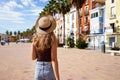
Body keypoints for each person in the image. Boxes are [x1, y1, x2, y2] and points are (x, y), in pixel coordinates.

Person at [32, 15, 60, 80]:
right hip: (48, 70)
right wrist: (58, 78)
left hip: (38, 71)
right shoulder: (52, 38)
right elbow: (54, 59)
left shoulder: (35, 39)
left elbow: (33, 57)